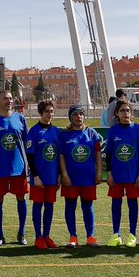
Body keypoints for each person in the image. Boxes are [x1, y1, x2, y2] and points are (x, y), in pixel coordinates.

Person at [0, 90, 29, 246]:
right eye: (5, 98)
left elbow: (27, 144)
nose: (9, 101)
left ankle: (21, 233)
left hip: (18, 169)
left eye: (10, 98)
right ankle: (0, 235)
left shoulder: (20, 119)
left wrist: (28, 165)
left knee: (21, 198)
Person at [58, 105, 102, 248]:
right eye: (75, 114)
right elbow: (61, 156)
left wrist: (99, 172)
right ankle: (73, 237)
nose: (79, 116)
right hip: (71, 178)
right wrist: (64, 174)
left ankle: (90, 236)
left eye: (81, 114)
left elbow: (98, 154)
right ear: (70, 117)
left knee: (87, 206)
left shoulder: (91, 133)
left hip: (88, 176)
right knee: (70, 206)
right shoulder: (64, 134)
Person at [104, 100, 139, 248]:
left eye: (128, 110)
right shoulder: (113, 130)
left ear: (131, 112)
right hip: (116, 174)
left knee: (132, 204)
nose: (125, 113)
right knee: (116, 204)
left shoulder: (138, 130)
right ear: (117, 113)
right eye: (122, 111)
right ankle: (116, 235)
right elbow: (108, 154)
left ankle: (132, 236)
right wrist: (108, 172)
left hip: (133, 175)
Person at [26, 100, 62, 249]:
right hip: (39, 177)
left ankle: (46, 235)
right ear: (40, 113)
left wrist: (59, 174)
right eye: (47, 111)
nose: (50, 114)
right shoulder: (33, 132)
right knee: (37, 205)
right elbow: (30, 156)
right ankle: (38, 237)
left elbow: (60, 155)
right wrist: (35, 176)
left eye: (52, 111)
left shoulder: (57, 132)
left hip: (52, 176)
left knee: (49, 206)